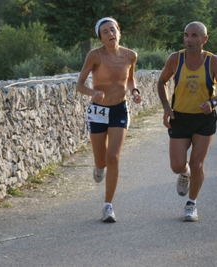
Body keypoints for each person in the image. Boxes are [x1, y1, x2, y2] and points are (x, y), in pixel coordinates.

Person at [157, 21, 217, 222]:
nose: (189, 40)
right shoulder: (175, 59)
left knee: (197, 162)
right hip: (180, 117)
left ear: (204, 39)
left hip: (204, 119)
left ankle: (191, 204)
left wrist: (213, 102)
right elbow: (161, 82)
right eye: (186, 35)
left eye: (194, 36)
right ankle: (184, 173)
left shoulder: (213, 61)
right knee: (177, 165)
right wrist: (166, 107)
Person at [76, 17, 142, 223]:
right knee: (101, 160)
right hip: (97, 110)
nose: (110, 34)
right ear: (100, 37)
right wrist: (91, 93)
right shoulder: (94, 56)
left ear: (119, 31)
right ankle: (98, 167)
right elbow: (79, 84)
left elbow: (129, 79)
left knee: (113, 157)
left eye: (112, 30)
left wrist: (135, 91)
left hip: (119, 110)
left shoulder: (131, 55)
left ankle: (108, 205)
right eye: (105, 32)